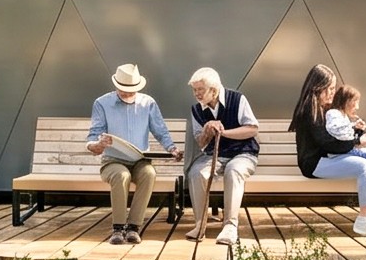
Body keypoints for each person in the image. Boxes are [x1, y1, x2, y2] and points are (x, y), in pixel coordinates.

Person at [291, 65, 366, 239]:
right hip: (315, 163)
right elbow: (328, 144)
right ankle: (364, 219)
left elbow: (338, 137)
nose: (333, 92)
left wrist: (358, 133)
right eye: (330, 88)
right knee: (365, 167)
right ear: (318, 87)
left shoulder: (324, 109)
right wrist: (358, 141)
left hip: (327, 159)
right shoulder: (311, 110)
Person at [84, 63, 175, 245]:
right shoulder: (102, 103)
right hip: (112, 161)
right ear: (116, 86)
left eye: (132, 90)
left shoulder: (147, 103)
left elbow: (160, 131)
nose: (128, 93)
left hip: (140, 160)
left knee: (149, 173)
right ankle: (118, 229)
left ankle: (134, 227)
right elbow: (92, 138)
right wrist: (98, 144)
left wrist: (172, 148)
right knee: (121, 174)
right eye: (124, 90)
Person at [182, 67, 260, 246]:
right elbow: (201, 143)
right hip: (215, 156)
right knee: (197, 173)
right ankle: (200, 224)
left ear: (214, 90)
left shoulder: (237, 99)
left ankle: (230, 226)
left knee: (233, 171)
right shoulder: (196, 110)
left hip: (243, 153)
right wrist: (207, 131)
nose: (196, 94)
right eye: (194, 90)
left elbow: (252, 129)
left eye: (200, 90)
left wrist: (224, 133)